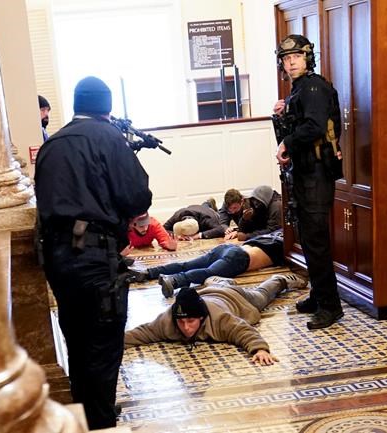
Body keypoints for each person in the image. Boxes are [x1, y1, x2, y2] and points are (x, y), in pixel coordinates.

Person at [34, 76, 152, 429]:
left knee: (76, 337)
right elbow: (136, 197)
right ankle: (100, 423)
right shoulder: (108, 138)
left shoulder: (52, 144)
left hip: (56, 258)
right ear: (107, 107)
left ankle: (86, 415)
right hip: (95, 256)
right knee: (103, 343)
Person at [273, 34, 344, 330]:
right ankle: (318, 296)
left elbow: (314, 127)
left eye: (297, 57)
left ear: (307, 58)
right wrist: (281, 115)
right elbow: (299, 124)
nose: (291, 63)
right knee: (309, 239)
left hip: (316, 175)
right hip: (304, 174)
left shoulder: (313, 87)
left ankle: (330, 307)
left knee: (316, 242)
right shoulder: (298, 90)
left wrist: (287, 141)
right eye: (287, 59)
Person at [125, 273, 307, 364]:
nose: (186, 327)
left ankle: (281, 279)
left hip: (235, 298)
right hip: (208, 293)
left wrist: (259, 350)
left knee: (262, 295)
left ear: (202, 318)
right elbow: (143, 332)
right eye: (181, 322)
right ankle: (216, 280)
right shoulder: (167, 320)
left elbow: (243, 330)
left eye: (191, 321)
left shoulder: (221, 319)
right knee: (216, 282)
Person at [137, 229, 285, 298]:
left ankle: (148, 272)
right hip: (240, 257)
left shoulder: (270, 236)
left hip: (228, 248)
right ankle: (175, 280)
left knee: (187, 264)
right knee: (209, 272)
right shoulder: (286, 245)